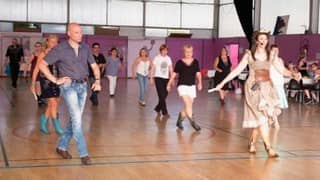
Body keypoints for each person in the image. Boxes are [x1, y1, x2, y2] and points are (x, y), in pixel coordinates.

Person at [213, 31, 300, 158]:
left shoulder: (271, 55)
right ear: (256, 40)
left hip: (267, 88)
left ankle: (252, 142)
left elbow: (282, 70)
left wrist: (293, 74)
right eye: (261, 38)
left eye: (265, 39)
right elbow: (237, 70)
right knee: (262, 119)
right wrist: (222, 83)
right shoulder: (249, 54)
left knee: (262, 119)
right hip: (253, 89)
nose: (263, 41)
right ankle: (268, 148)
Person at [38, 23, 101, 165]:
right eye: (77, 32)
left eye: (81, 32)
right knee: (77, 120)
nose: (80, 35)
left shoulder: (85, 48)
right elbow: (42, 64)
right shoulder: (60, 49)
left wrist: (97, 80)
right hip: (68, 87)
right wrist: (55, 79)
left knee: (74, 120)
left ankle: (61, 146)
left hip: (83, 87)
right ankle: (84, 153)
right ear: (69, 33)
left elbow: (94, 66)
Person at [30, 35, 64, 135]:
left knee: (55, 103)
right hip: (46, 81)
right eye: (52, 41)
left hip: (57, 81)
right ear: (47, 42)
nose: (54, 43)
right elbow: (36, 69)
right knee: (53, 102)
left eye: (56, 42)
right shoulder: (43, 54)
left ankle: (43, 120)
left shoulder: (59, 53)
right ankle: (57, 126)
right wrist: (33, 84)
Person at [167, 44, 202, 131]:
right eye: (187, 52)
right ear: (184, 52)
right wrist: (169, 83)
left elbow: (198, 73)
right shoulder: (179, 62)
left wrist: (200, 83)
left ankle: (180, 120)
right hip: (182, 86)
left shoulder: (196, 62)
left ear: (192, 52)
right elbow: (174, 74)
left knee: (188, 105)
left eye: (190, 52)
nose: (188, 53)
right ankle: (192, 122)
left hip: (192, 86)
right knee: (188, 103)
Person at [150, 44, 173, 117]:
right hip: (158, 78)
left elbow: (171, 68)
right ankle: (164, 112)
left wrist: (172, 79)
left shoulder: (168, 58)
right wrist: (151, 77)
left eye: (166, 50)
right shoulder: (157, 58)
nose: (165, 52)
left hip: (166, 79)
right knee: (161, 95)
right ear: (160, 51)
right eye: (163, 50)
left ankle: (157, 108)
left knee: (165, 94)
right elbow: (153, 68)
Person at [27, 42, 44, 106]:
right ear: (34, 47)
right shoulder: (33, 54)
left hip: (42, 72)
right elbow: (27, 63)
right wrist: (25, 72)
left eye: (39, 46)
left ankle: (40, 98)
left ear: (41, 47)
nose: (37, 48)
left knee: (41, 86)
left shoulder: (43, 54)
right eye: (36, 46)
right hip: (35, 72)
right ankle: (39, 100)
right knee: (38, 85)